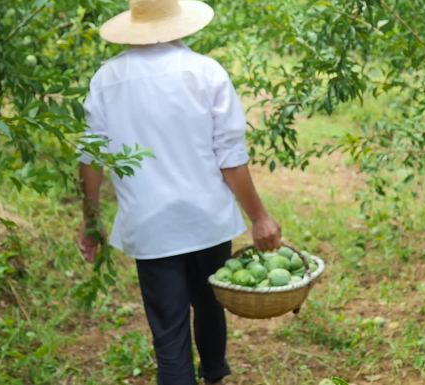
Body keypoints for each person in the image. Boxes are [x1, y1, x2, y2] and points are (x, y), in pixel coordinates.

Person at [76, 0, 282, 384]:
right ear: (179, 24)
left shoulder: (106, 79)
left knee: (169, 331)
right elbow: (230, 157)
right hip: (207, 218)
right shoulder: (205, 72)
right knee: (209, 302)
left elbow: (91, 159)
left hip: (150, 225)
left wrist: (90, 221)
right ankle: (215, 375)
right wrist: (259, 217)